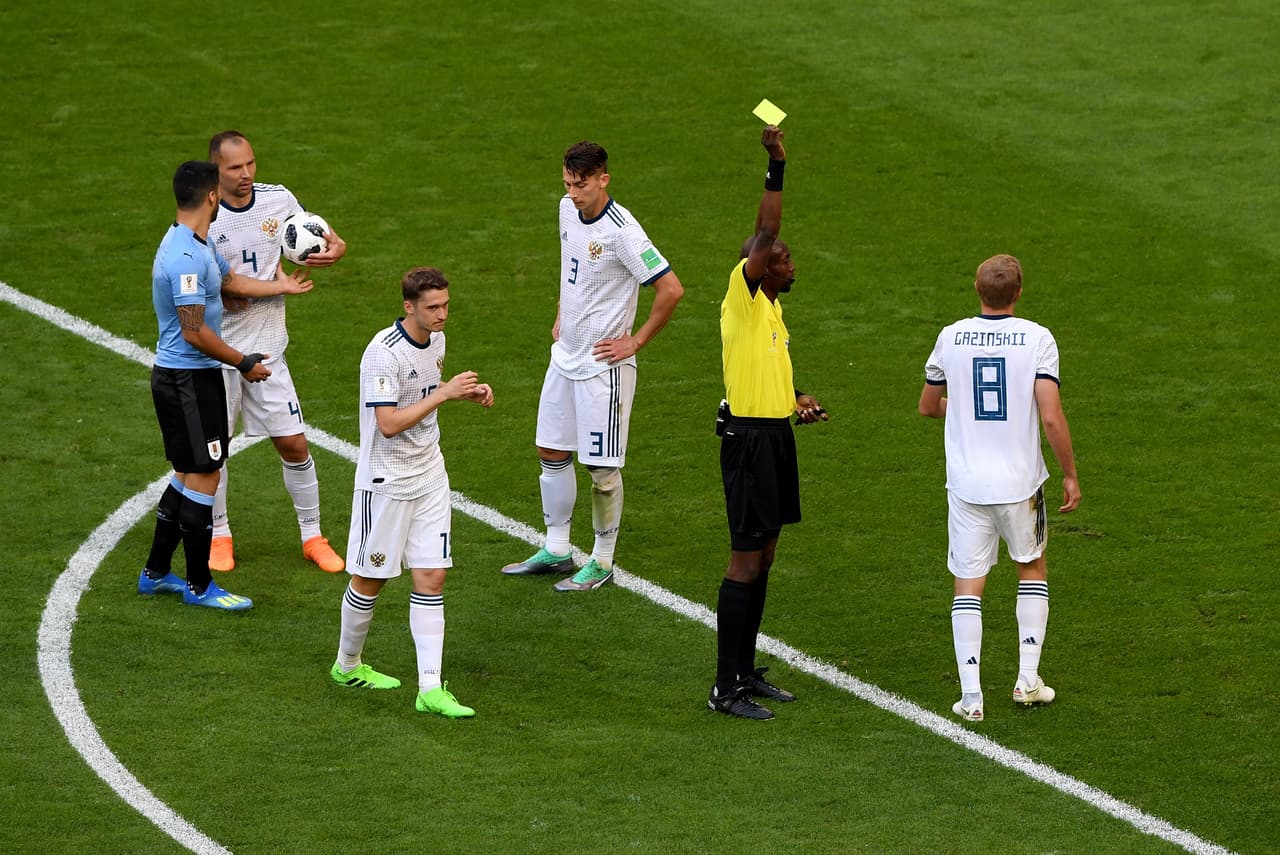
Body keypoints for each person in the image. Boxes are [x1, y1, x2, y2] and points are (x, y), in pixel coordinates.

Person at [501, 140, 685, 591]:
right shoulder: (567, 210)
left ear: (604, 179)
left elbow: (671, 289)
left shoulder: (624, 233)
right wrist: (562, 312)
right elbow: (572, 267)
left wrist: (634, 342)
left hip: (603, 368)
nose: (572, 193)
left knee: (601, 470)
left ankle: (601, 561)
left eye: (581, 184)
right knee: (550, 451)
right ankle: (557, 550)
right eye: (567, 183)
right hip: (565, 357)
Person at [140, 160, 312, 610]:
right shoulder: (185, 258)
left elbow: (231, 280)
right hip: (188, 380)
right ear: (212, 196)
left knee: (186, 473)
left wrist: (281, 288)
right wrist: (243, 362)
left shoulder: (196, 243)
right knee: (205, 473)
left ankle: (155, 572)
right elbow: (194, 331)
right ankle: (200, 586)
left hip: (189, 377)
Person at [918, 253, 1081, 722]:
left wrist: (962, 408)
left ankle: (971, 697)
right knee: (1031, 567)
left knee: (968, 584)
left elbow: (928, 405)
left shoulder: (950, 336)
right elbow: (1051, 416)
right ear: (1019, 293)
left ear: (977, 289)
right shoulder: (1038, 338)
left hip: (967, 486)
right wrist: (1070, 473)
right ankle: (1027, 680)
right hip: (1020, 484)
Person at [330, 267, 494, 718]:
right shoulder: (382, 354)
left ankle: (430, 689)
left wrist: (461, 393)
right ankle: (347, 665)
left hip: (429, 476)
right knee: (371, 580)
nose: (442, 315)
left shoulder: (435, 340)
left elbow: (424, 390)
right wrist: (444, 395)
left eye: (446, 305)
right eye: (432, 307)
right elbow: (388, 423)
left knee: (432, 577)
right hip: (387, 483)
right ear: (409, 307)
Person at [708, 126, 829, 721]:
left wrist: (797, 398)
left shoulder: (774, 314)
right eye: (782, 259)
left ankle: (744, 670)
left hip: (775, 436)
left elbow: (768, 373)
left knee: (768, 553)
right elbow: (766, 230)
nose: (790, 263)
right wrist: (776, 165)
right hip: (749, 442)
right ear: (758, 266)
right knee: (745, 559)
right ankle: (723, 687)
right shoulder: (744, 295)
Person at [205, 130, 348, 574]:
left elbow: (319, 233)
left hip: (267, 352)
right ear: (216, 170)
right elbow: (205, 279)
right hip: (217, 355)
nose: (246, 173)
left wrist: (336, 247)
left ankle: (313, 537)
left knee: (294, 444)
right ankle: (219, 535)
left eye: (250, 163)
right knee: (213, 453)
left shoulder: (277, 199)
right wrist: (234, 291)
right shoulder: (205, 214)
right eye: (235, 167)